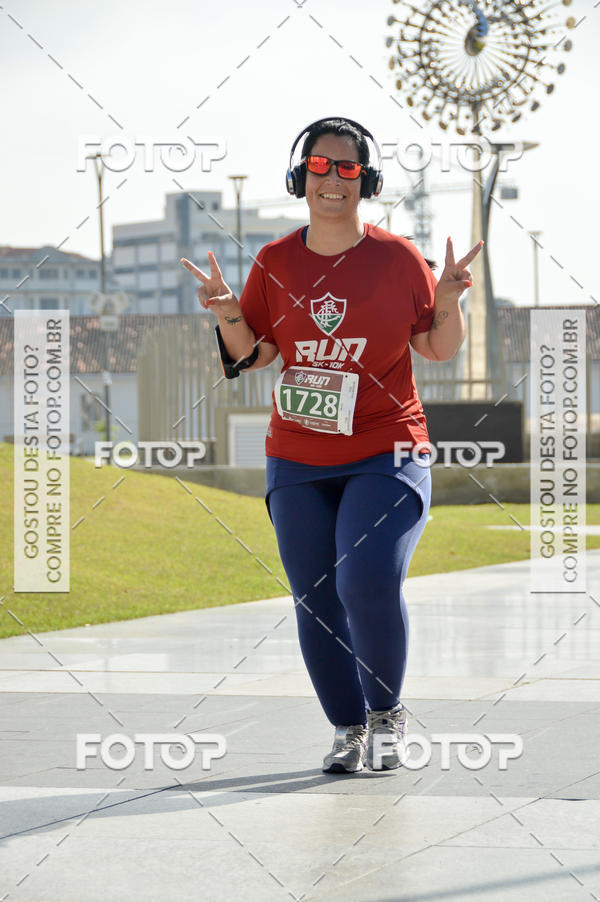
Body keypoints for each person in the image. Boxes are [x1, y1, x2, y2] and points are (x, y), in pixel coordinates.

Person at [182, 117, 482, 774]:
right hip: (298, 456)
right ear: (301, 177)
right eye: (320, 165)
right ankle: (348, 728)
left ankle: (386, 715)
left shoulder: (399, 259)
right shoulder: (275, 261)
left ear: (366, 181)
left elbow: (436, 346)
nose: (333, 179)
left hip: (387, 449)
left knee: (364, 580)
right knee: (316, 599)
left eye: (348, 168)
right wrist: (227, 308)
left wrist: (450, 298)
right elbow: (257, 354)